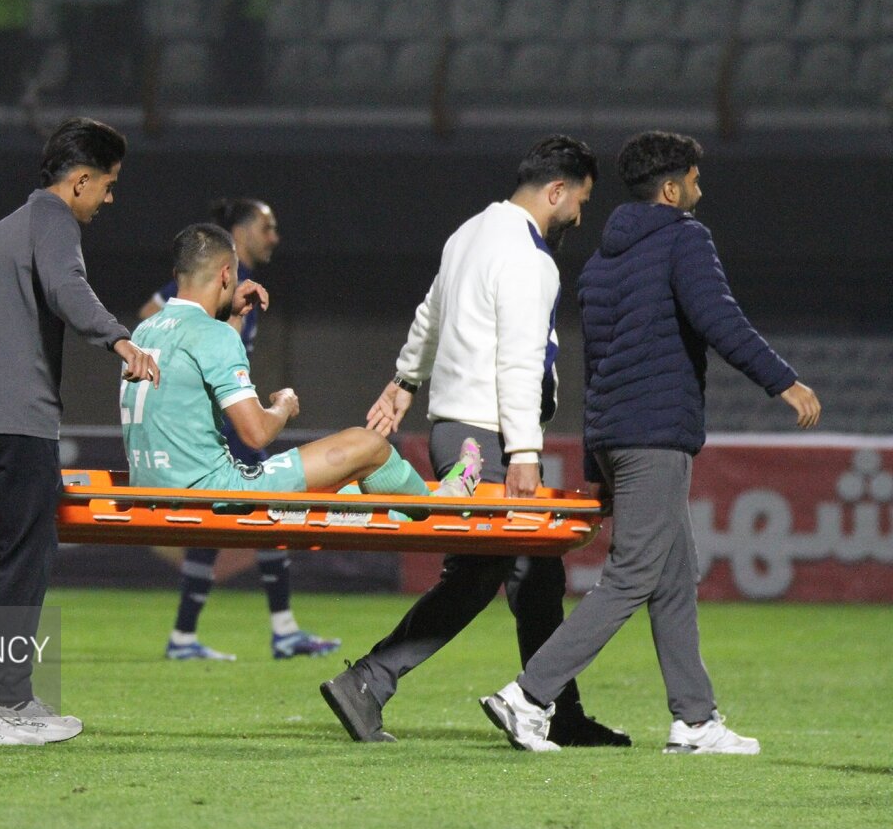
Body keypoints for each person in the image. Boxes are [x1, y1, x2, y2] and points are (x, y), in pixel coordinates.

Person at [480, 131, 821, 754]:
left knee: (673, 574)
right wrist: (784, 381)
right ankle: (528, 696)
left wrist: (596, 458)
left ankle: (694, 720)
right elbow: (719, 318)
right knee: (633, 573)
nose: (699, 190)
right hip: (655, 434)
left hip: (617, 434)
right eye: (693, 179)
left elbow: (596, 365)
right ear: (670, 189)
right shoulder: (684, 238)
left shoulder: (601, 262)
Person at [321, 135, 630, 747]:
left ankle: (556, 710)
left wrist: (405, 380)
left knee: (536, 574)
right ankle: (369, 681)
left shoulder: (467, 235)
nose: (578, 216)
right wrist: (525, 453)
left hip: (457, 431)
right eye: (581, 201)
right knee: (478, 573)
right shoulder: (529, 258)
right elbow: (519, 361)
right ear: (557, 190)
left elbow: (429, 314)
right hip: (486, 438)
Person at [0, 117, 160, 746]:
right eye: (109, 185)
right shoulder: (54, 221)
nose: (109, 199)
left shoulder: (8, 228)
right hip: (16, 417)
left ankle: (11, 697)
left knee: (29, 552)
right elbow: (69, 287)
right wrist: (120, 339)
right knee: (25, 558)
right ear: (81, 181)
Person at [120, 223, 481, 560]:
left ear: (177, 275)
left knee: (345, 489)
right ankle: (441, 507)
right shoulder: (214, 336)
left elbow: (194, 360)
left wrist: (230, 315)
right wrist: (283, 405)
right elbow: (256, 433)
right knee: (368, 444)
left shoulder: (145, 331)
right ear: (227, 274)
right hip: (214, 493)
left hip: (152, 492)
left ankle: (420, 505)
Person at [140, 200, 335, 661]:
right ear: (241, 233)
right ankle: (273, 632)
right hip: (220, 427)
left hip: (224, 416)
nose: (274, 237)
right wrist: (278, 408)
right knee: (263, 511)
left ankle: (196, 635)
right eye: (267, 227)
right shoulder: (211, 275)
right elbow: (152, 312)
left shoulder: (235, 289)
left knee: (232, 523)